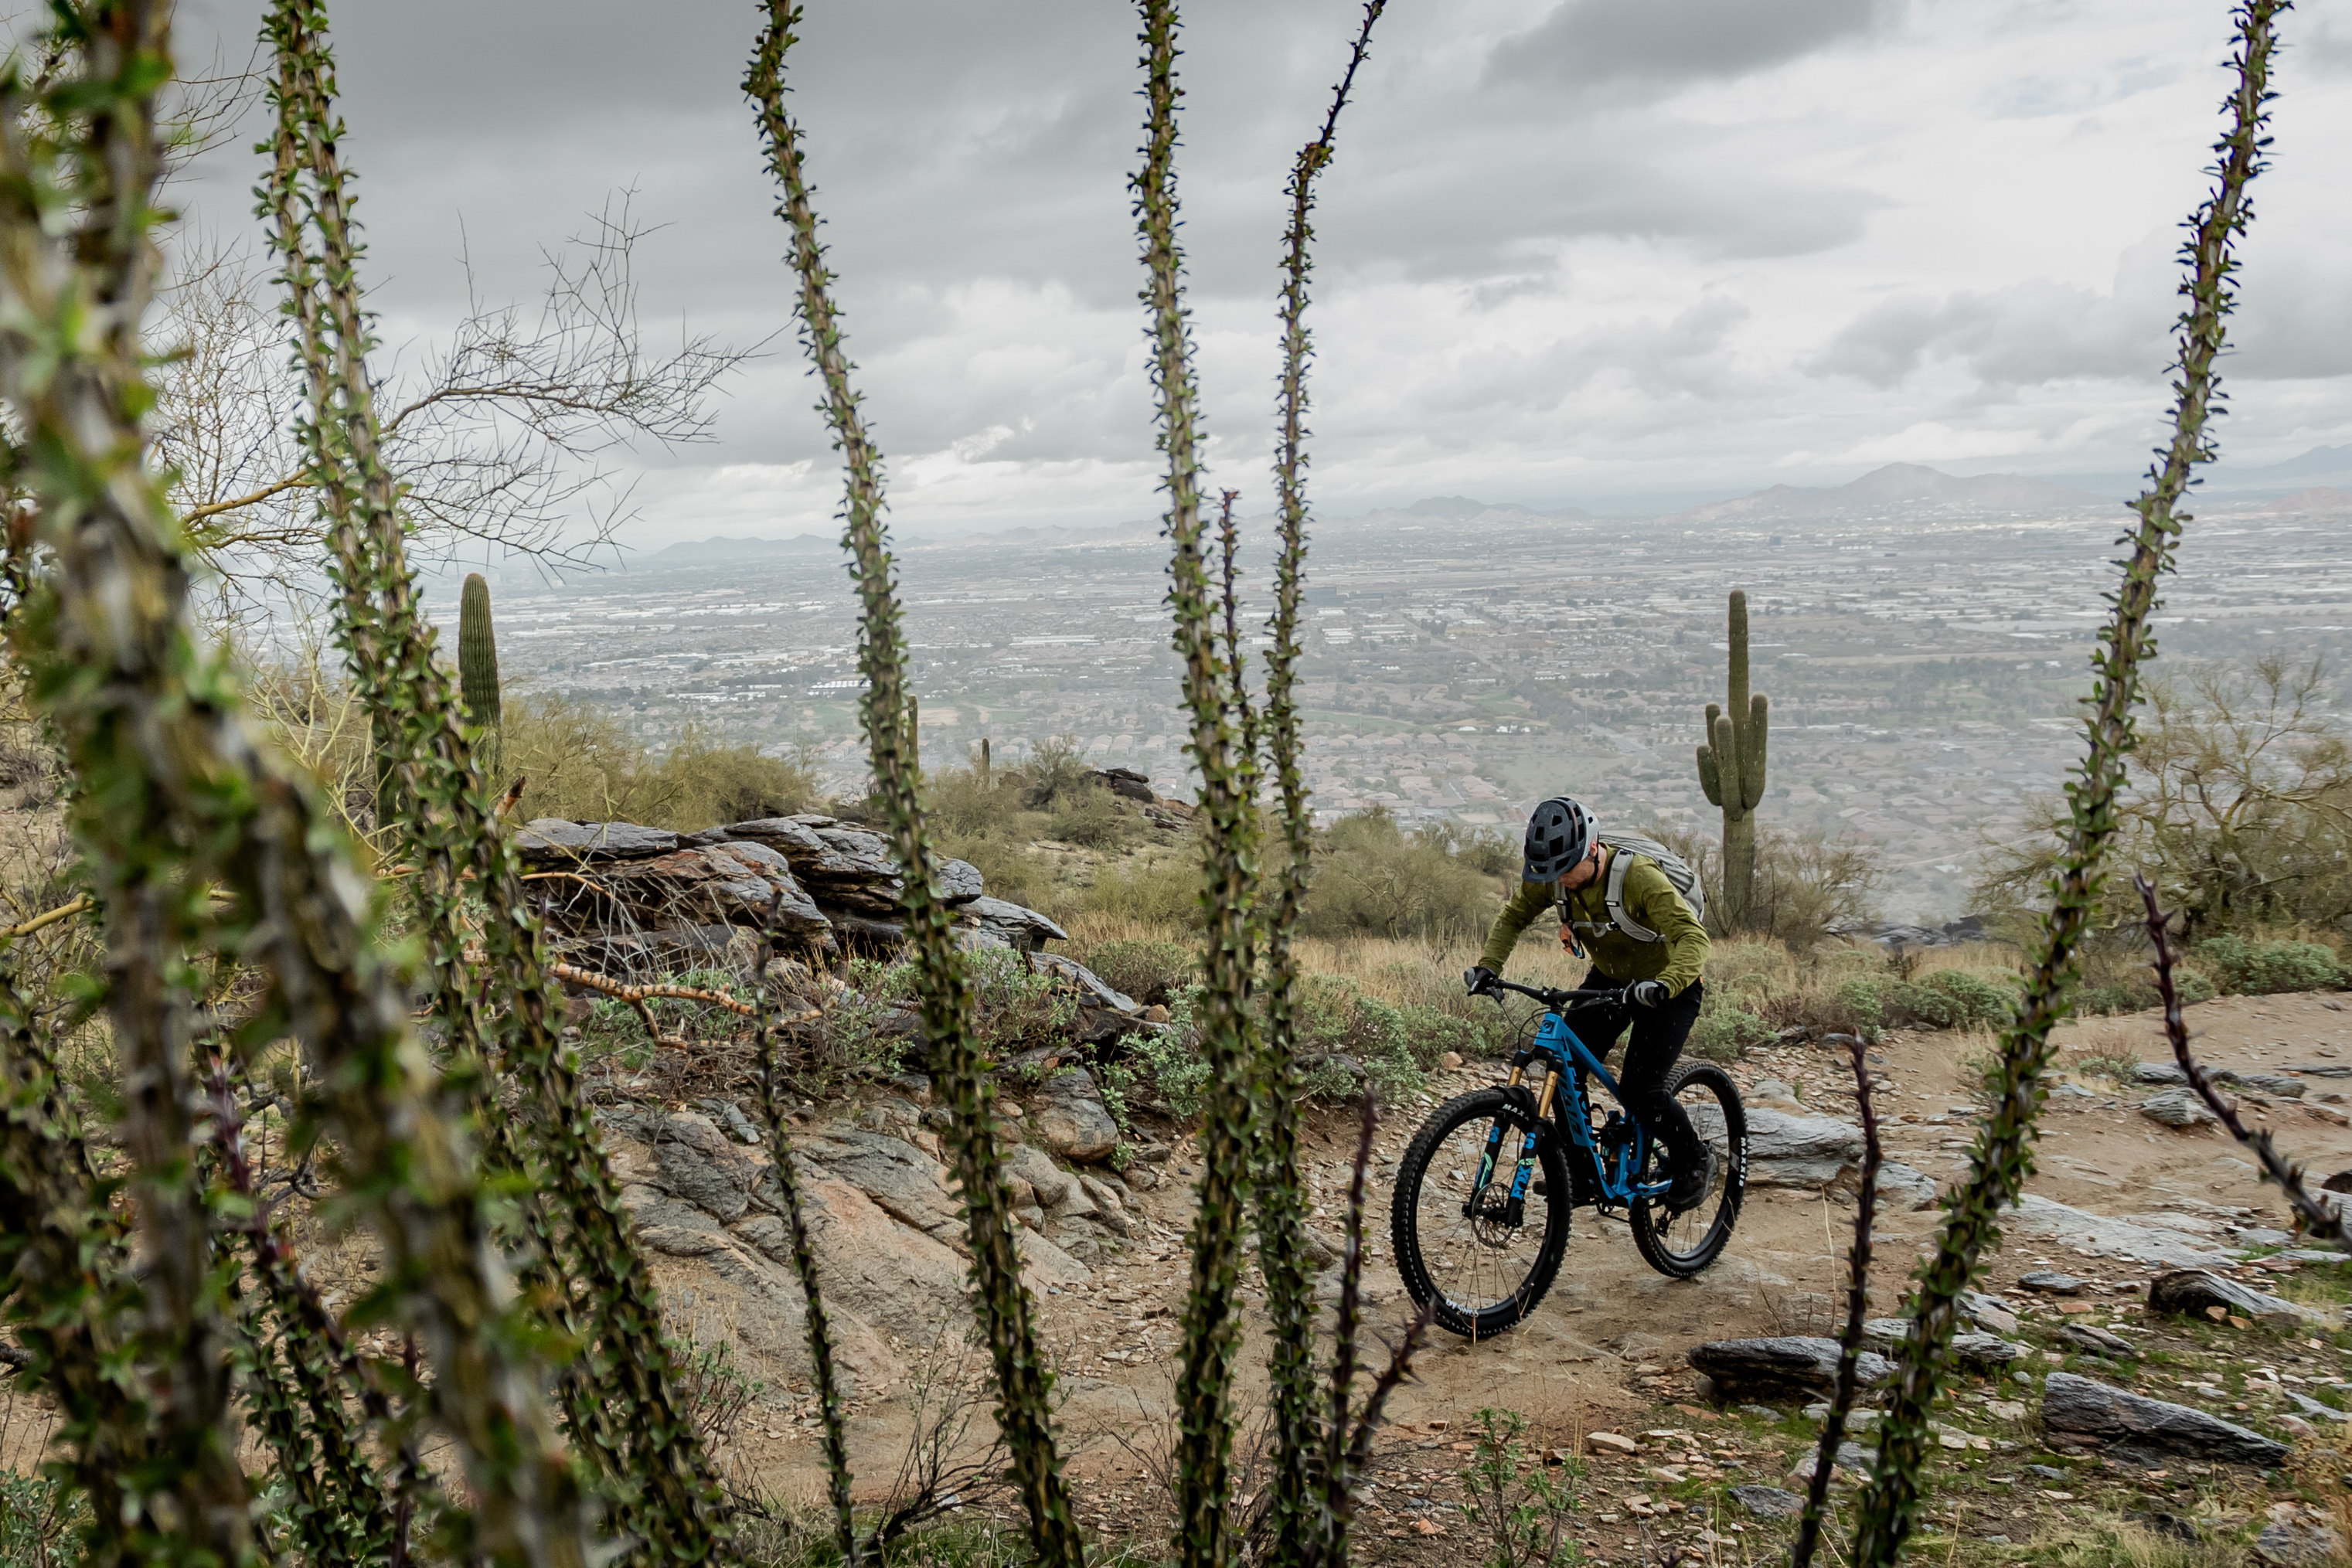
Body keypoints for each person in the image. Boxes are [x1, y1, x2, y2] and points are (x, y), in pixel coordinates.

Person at [1467, 795, 1714, 1209]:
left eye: (1567, 869)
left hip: (1670, 987)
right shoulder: (1553, 874)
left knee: (1642, 1089)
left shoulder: (1637, 877)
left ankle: (1694, 1159)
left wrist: (1665, 984)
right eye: (1551, 872)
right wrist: (1488, 966)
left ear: (1593, 848)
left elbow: (1694, 938)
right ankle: (1578, 1174)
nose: (1559, 879)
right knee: (1564, 1068)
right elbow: (1514, 917)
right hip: (1610, 981)